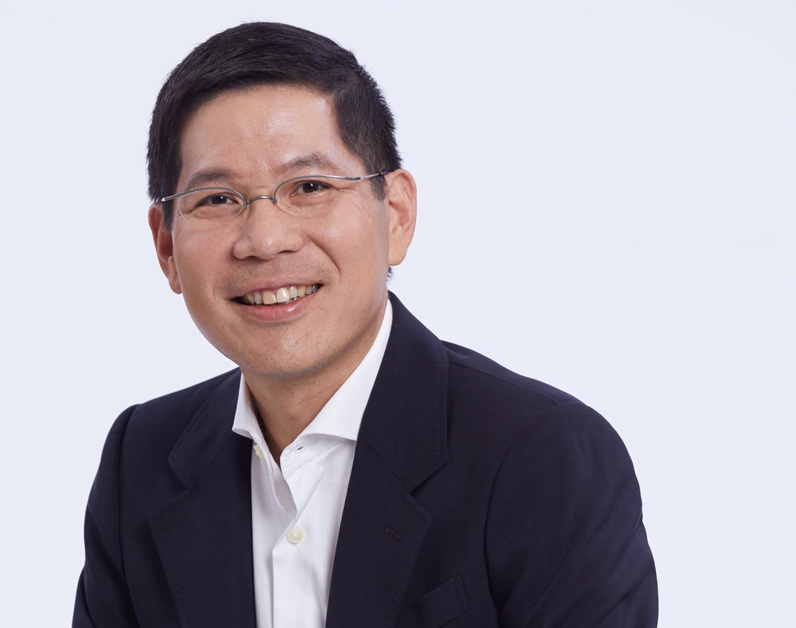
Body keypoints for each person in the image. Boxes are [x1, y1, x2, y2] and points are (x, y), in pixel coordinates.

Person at [72, 22, 657, 628]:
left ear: (396, 214)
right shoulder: (141, 460)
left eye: (309, 186)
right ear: (167, 247)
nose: (265, 240)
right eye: (217, 199)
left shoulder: (544, 457)